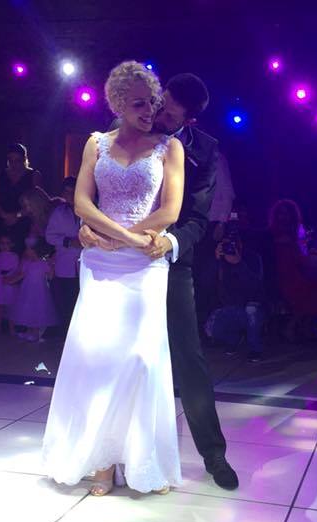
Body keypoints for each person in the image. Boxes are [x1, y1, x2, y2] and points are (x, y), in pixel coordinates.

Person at [79, 72, 239, 490]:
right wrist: (89, 228)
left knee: (186, 355)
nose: (157, 112)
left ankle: (214, 455)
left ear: (188, 118)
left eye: (169, 110)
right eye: (158, 102)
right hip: (114, 256)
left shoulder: (204, 149)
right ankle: (111, 453)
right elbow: (99, 192)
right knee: (115, 353)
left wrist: (168, 241)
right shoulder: (120, 129)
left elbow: (198, 218)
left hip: (167, 258)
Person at [42, 61, 185, 495]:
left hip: (144, 265)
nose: (149, 110)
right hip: (101, 264)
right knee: (99, 358)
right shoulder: (95, 144)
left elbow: (169, 211)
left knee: (140, 359)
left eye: (152, 103)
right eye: (139, 103)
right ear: (118, 103)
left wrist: (121, 239)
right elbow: (82, 204)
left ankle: (143, 460)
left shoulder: (169, 148)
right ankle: (101, 461)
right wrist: (116, 238)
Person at [268, 198, 317, 342]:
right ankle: (292, 326)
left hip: (293, 276)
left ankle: (303, 326)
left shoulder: (291, 235)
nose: (284, 217)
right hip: (282, 279)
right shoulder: (278, 236)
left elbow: (299, 260)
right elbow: (298, 260)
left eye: (287, 213)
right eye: (281, 213)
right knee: (315, 290)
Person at [205, 222, 265, 361]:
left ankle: (255, 348)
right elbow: (206, 284)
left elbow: (256, 287)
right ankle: (233, 339)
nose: (230, 247)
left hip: (252, 306)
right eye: (226, 244)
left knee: (251, 311)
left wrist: (239, 264)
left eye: (233, 243)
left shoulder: (252, 258)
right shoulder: (220, 260)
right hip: (230, 308)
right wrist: (216, 260)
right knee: (210, 329)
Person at [0, 143, 42, 248]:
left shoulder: (34, 175)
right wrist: (3, 214)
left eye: (17, 160)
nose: (14, 164)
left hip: (24, 221)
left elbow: (37, 203)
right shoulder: (0, 174)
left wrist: (17, 216)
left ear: (24, 159)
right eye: (10, 160)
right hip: (1, 219)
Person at [45, 176, 82, 327]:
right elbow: (49, 236)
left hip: (86, 263)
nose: (70, 195)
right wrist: (68, 241)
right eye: (67, 192)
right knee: (66, 300)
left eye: (73, 191)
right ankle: (65, 331)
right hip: (65, 261)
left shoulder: (90, 210)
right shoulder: (59, 212)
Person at [6, 237, 57, 342]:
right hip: (27, 290)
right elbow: (21, 275)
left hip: (39, 291)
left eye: (28, 249)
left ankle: (36, 333)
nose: (26, 251)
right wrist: (10, 281)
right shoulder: (26, 263)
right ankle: (29, 331)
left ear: (34, 251)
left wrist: (51, 265)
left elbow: (50, 276)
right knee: (28, 310)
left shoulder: (43, 263)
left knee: (36, 310)